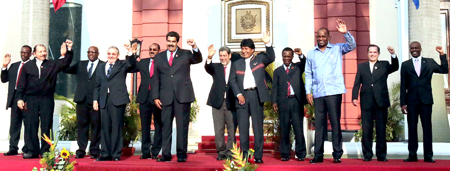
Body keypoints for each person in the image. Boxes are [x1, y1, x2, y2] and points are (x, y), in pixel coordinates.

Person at [305, 19, 356, 163]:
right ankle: (318, 155)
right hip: (319, 93)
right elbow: (308, 74)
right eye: (318, 36)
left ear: (329, 37)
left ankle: (337, 154)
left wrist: (346, 33)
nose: (321, 39)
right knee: (319, 125)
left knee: (335, 123)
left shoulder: (337, 49)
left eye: (323, 36)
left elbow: (352, 45)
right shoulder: (311, 53)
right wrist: (308, 92)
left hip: (334, 92)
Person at [16, 40, 74, 159]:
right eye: (40, 51)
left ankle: (45, 151)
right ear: (34, 54)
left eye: (44, 51)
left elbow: (65, 63)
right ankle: (32, 150)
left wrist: (68, 51)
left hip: (46, 99)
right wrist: (19, 99)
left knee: (46, 125)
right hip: (31, 99)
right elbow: (21, 84)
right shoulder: (27, 66)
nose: (43, 53)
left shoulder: (51, 64)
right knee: (31, 125)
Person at [152, 31, 203, 162]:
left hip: (183, 95)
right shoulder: (159, 57)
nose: (171, 43)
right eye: (169, 41)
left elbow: (198, 59)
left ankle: (181, 154)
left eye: (173, 41)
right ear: (166, 41)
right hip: (165, 96)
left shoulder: (186, 54)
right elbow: (156, 78)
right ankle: (166, 154)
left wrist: (195, 47)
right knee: (166, 127)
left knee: (182, 127)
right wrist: (155, 97)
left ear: (177, 42)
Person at [229, 31, 274, 163]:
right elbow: (232, 81)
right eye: (242, 49)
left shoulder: (260, 58)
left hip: (256, 96)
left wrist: (267, 43)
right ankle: (244, 157)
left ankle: (258, 157)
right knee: (243, 128)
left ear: (252, 50)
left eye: (246, 48)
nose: (244, 51)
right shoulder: (236, 63)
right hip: (242, 97)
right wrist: (238, 94)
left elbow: (271, 57)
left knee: (258, 127)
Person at [401, 42, 448, 163]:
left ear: (421, 49)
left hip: (426, 101)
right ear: (410, 50)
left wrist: (442, 54)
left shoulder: (430, 62)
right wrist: (403, 103)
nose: (414, 50)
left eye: (416, 48)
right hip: (411, 102)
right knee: (412, 128)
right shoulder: (405, 65)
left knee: (427, 128)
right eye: (412, 48)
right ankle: (412, 155)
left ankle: (428, 156)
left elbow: (444, 70)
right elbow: (403, 86)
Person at [351, 45, 399, 162]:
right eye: (370, 52)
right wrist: (354, 97)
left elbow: (395, 67)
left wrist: (393, 55)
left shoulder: (384, 65)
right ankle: (367, 155)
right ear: (367, 53)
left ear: (378, 54)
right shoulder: (362, 67)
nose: (372, 54)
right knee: (366, 130)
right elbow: (357, 83)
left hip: (381, 102)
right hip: (366, 102)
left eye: (375, 52)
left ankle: (381, 155)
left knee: (381, 129)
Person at [93, 44, 137, 161]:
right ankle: (105, 154)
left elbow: (131, 64)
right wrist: (95, 100)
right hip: (104, 100)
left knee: (116, 128)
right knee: (105, 128)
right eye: (109, 53)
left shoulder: (122, 64)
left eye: (113, 54)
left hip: (117, 100)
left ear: (118, 55)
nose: (111, 56)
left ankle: (116, 154)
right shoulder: (101, 66)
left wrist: (130, 53)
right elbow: (97, 85)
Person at [63, 46, 104, 159]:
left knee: (96, 126)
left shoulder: (103, 65)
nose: (91, 54)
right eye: (89, 52)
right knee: (82, 126)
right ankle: (81, 149)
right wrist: (65, 56)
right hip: (81, 100)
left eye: (93, 52)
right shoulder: (81, 64)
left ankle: (94, 150)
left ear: (98, 53)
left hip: (96, 101)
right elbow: (66, 69)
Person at [272, 47, 307, 161]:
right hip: (283, 102)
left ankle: (301, 153)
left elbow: (305, 63)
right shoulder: (277, 71)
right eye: (284, 56)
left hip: (296, 101)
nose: (286, 58)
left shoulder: (297, 67)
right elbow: (275, 88)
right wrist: (274, 102)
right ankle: (285, 154)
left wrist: (301, 55)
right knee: (284, 129)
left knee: (298, 129)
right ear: (282, 57)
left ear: (292, 57)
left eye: (288, 56)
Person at [205, 45, 236, 160]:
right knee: (218, 129)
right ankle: (221, 152)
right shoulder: (216, 67)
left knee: (232, 129)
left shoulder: (235, 66)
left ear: (229, 56)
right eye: (220, 56)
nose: (222, 58)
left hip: (231, 102)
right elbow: (207, 67)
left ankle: (230, 152)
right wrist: (209, 56)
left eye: (224, 56)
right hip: (217, 102)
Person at [132, 43, 163, 160]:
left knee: (159, 125)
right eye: (150, 49)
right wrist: (132, 54)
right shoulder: (143, 62)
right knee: (145, 126)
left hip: (158, 98)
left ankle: (155, 151)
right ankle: (145, 152)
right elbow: (130, 66)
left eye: (154, 49)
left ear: (159, 51)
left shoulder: (162, 63)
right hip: (144, 97)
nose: (152, 51)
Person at [1, 45, 32, 156]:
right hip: (14, 99)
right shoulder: (14, 66)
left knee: (28, 125)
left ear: (31, 54)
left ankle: (27, 148)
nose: (23, 54)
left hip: (27, 100)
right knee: (14, 125)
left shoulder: (32, 66)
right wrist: (4, 66)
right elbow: (4, 80)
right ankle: (13, 148)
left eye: (26, 53)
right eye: (22, 52)